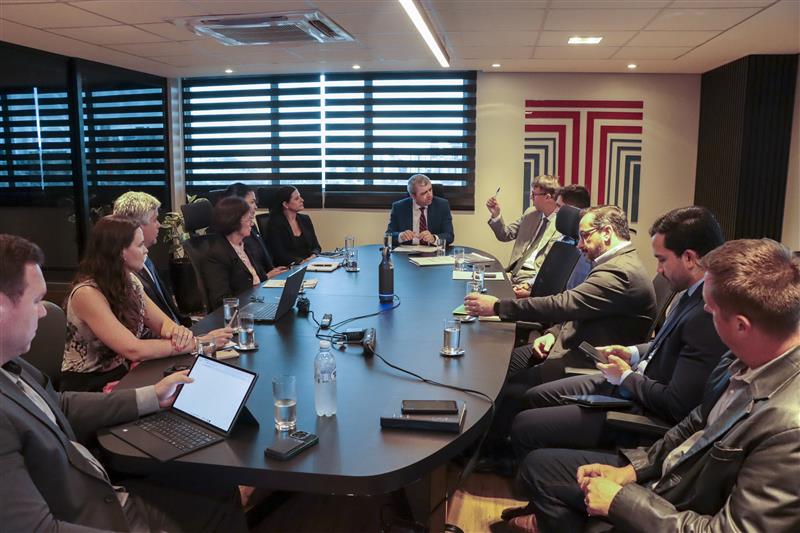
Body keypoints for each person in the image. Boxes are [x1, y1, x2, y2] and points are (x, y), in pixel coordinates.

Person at [507, 238, 800, 533]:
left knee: (543, 471)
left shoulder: (790, 430)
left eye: (710, 309)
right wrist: (631, 470)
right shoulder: (740, 359)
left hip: (675, 507)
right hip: (667, 482)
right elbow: (696, 422)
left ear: (741, 326)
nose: (705, 313)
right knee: (538, 468)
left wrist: (622, 502)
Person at [0, 234, 248, 532]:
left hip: (95, 487)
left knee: (220, 489)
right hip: (92, 515)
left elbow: (60, 404)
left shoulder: (12, 365)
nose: (44, 311)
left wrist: (153, 396)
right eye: (37, 300)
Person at [506, 206, 728, 477]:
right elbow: (667, 342)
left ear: (690, 258)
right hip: (631, 379)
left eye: (662, 260)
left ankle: (536, 484)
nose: (657, 269)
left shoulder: (707, 312)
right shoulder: (692, 293)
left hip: (639, 404)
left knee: (523, 424)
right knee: (533, 398)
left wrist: (625, 378)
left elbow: (675, 405)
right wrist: (633, 352)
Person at [465, 205, 656, 378]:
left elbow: (565, 303)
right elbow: (580, 308)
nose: (580, 244)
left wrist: (498, 306)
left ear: (606, 232)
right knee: (502, 366)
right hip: (566, 342)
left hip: (586, 363)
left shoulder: (619, 271)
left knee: (501, 381)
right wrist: (553, 333)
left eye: (584, 235)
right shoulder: (611, 263)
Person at [59, 216, 218, 393]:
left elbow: (164, 324)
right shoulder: (86, 294)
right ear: (120, 252)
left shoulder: (131, 280)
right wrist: (197, 343)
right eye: (140, 245)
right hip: (88, 388)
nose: (146, 250)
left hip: (122, 374)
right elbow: (133, 349)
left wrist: (178, 334)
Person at [112, 191, 191, 326]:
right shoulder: (125, 272)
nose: (159, 225)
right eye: (154, 219)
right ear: (136, 225)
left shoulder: (146, 259)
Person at [204, 196, 287, 310]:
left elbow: (255, 279)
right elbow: (221, 301)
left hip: (258, 303)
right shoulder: (217, 255)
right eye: (249, 219)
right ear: (234, 221)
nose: (252, 224)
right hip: (241, 314)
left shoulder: (245, 246)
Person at [511, 183, 592, 298]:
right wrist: (528, 284)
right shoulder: (564, 239)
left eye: (559, 207)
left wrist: (530, 296)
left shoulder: (586, 249)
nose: (556, 211)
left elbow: (570, 294)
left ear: (572, 210)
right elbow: (548, 273)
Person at [487, 175, 562, 286]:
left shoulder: (562, 224)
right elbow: (505, 235)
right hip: (513, 273)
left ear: (547, 197)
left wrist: (529, 285)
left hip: (532, 278)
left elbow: (554, 267)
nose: (531, 198)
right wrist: (496, 214)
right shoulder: (530, 213)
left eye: (534, 194)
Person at [387, 173, 454, 247]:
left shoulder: (442, 205)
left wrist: (434, 238)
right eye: (424, 193)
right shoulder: (399, 207)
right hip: (406, 253)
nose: (429, 195)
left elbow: (449, 235)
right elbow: (388, 235)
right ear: (413, 196)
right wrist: (400, 236)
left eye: (430, 190)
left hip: (433, 253)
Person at [264, 186, 322, 266]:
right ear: (285, 204)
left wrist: (313, 256)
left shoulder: (305, 219)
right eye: (297, 198)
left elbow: (316, 247)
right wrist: (301, 262)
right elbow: (279, 255)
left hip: (310, 264)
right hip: (289, 268)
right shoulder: (275, 224)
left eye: (300, 197)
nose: (302, 200)